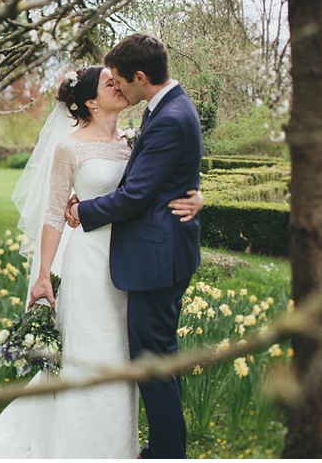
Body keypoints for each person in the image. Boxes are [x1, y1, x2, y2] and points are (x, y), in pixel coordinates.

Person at [0, 64, 203, 459]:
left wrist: (196, 196)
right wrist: (44, 275)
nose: (119, 86)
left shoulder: (134, 141)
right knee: (89, 357)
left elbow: (154, 186)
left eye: (118, 81)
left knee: (121, 358)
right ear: (91, 101)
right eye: (109, 83)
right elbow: (51, 216)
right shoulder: (70, 147)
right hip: (88, 266)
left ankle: (117, 449)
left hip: (132, 265)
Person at [65, 34, 203, 459]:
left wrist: (83, 211)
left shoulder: (169, 117)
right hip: (157, 255)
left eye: (122, 81)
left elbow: (137, 195)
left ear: (141, 77)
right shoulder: (167, 109)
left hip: (155, 261)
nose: (118, 88)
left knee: (153, 365)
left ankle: (166, 455)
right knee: (159, 361)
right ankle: (165, 448)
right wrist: (196, 192)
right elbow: (165, 178)